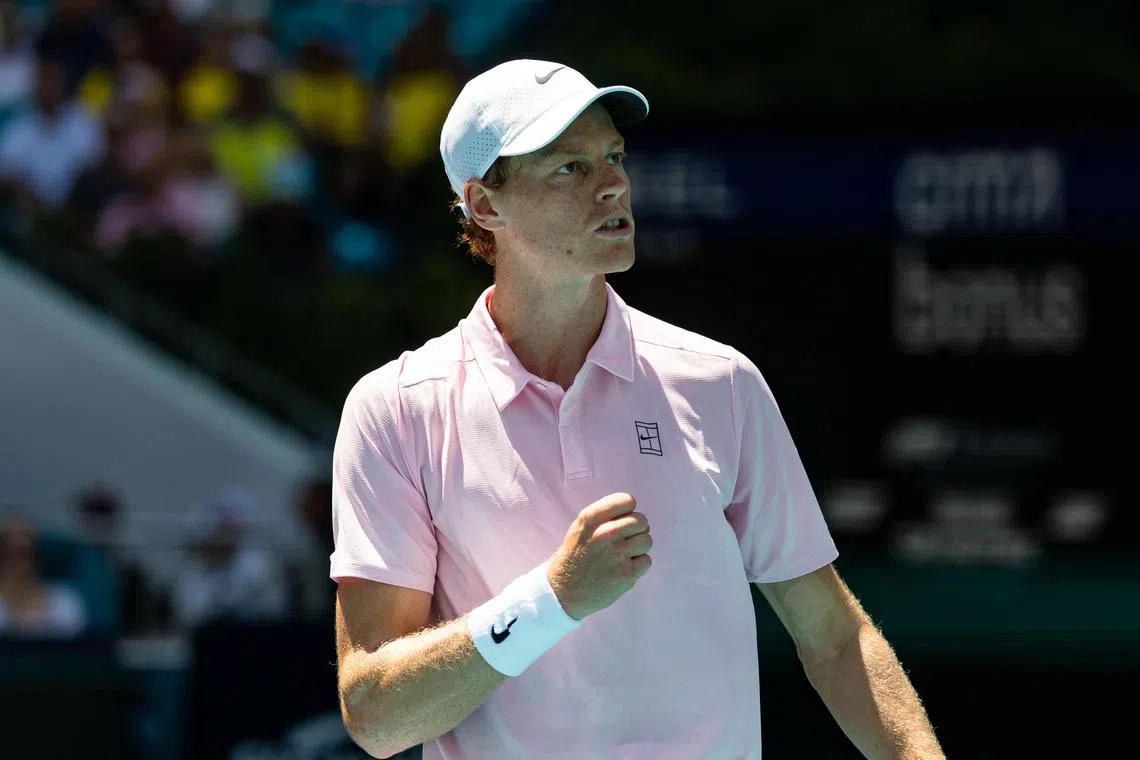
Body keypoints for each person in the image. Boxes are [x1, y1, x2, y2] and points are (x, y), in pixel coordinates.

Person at [330, 59, 945, 759]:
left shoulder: (722, 383)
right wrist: (552, 600)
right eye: (569, 168)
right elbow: (377, 718)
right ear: (484, 205)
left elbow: (834, 639)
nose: (612, 184)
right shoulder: (394, 411)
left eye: (614, 157)